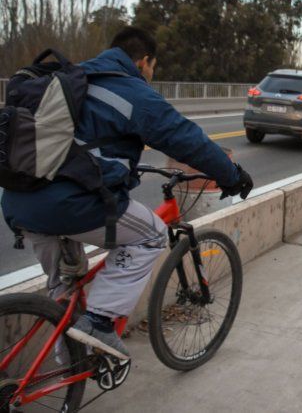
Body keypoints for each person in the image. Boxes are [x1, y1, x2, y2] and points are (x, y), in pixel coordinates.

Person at [1, 27, 253, 360]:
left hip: (20, 201)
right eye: (153, 67)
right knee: (151, 235)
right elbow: (185, 138)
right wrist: (231, 175)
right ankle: (100, 323)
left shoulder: (69, 79)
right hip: (69, 203)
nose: (151, 74)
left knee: (64, 287)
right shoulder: (131, 90)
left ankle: (70, 370)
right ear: (144, 61)